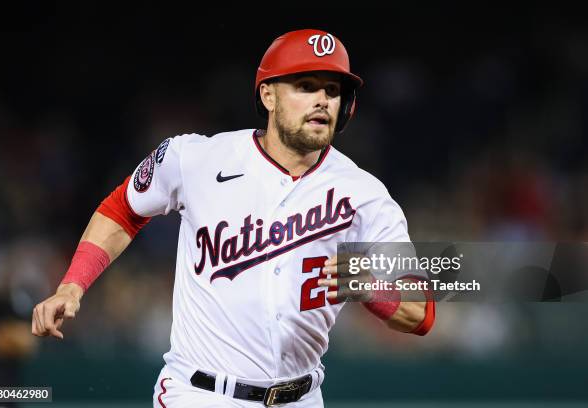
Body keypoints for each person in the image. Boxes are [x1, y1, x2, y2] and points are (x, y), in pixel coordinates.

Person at [32, 29, 435, 407]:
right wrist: (72, 285)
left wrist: (368, 286)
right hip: (200, 393)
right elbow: (122, 208)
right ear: (268, 96)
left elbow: (422, 312)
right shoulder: (196, 159)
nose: (322, 101)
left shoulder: (365, 194)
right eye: (305, 86)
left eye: (332, 91)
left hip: (302, 396)